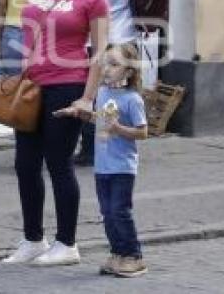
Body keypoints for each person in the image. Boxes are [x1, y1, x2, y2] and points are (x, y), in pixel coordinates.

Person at [0, 0, 109, 266]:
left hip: (67, 84)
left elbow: (99, 50)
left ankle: (67, 243)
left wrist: (87, 98)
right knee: (25, 164)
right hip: (31, 85)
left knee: (59, 163)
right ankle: (33, 239)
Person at [74, 0, 158, 166]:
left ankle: (90, 147)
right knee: (123, 89)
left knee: (92, 91)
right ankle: (121, 138)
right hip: (125, 34)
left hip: (90, 34)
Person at [54, 42, 149, 277]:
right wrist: (77, 112)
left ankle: (133, 256)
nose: (107, 69)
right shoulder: (103, 93)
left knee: (120, 211)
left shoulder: (132, 99)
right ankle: (117, 253)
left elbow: (143, 132)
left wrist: (118, 129)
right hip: (103, 166)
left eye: (114, 64)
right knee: (107, 212)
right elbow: (100, 119)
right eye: (105, 63)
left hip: (122, 167)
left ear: (129, 71)